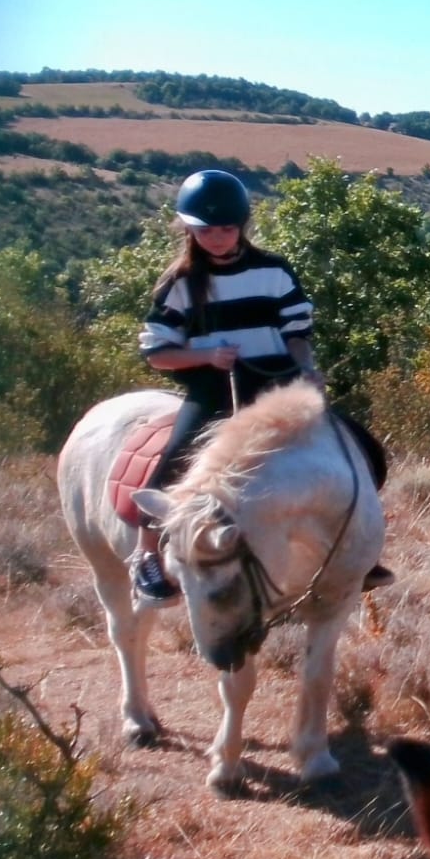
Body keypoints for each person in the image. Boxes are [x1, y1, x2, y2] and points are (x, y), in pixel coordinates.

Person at [129, 169, 324, 602]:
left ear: (242, 226)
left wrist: (307, 368)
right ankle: (146, 554)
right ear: (188, 229)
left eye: (226, 228)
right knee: (177, 457)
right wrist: (205, 357)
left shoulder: (274, 270)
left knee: (351, 448)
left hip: (278, 388)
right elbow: (157, 353)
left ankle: (349, 547)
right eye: (205, 230)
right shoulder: (179, 285)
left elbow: (297, 331)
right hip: (215, 390)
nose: (217, 237)